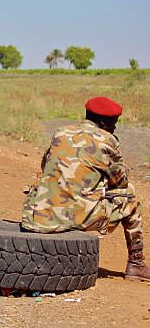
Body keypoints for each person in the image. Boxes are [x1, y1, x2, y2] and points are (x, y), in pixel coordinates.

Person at [22, 97, 149, 281]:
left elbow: (45, 166)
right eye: (114, 122)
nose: (115, 127)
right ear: (103, 122)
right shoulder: (107, 141)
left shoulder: (60, 132)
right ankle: (136, 264)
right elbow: (120, 183)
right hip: (74, 215)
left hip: (38, 215)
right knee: (131, 196)